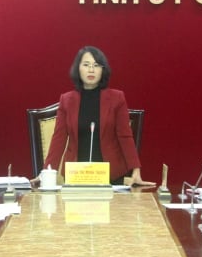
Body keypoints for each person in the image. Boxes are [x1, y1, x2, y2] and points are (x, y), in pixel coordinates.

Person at [43, 46, 153, 187]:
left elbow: (125, 136)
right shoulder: (66, 100)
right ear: (78, 69)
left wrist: (136, 170)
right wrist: (45, 173)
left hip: (110, 176)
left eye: (96, 65)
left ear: (103, 70)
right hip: (77, 175)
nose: (91, 70)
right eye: (86, 65)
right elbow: (59, 138)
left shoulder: (117, 98)